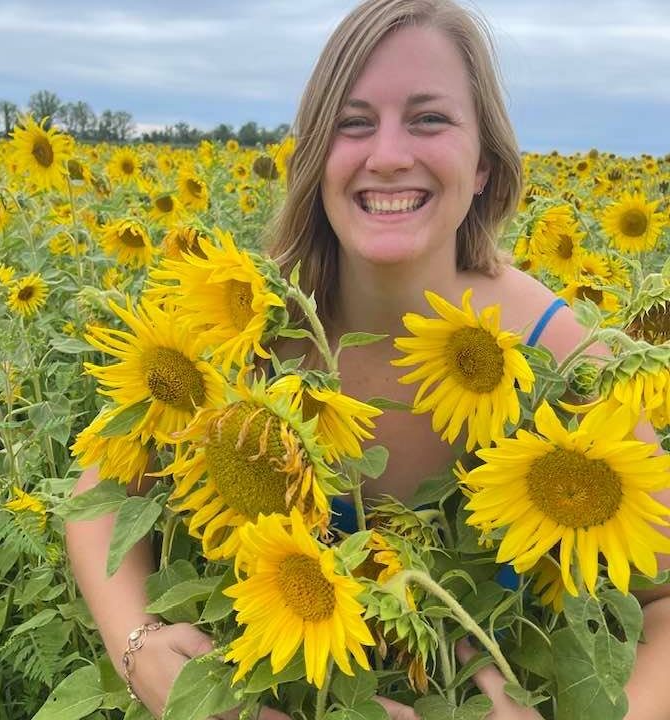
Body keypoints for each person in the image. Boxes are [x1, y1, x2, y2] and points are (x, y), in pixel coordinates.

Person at [66, 1, 670, 718]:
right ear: (316, 155)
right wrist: (138, 647)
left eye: (429, 119)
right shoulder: (244, 323)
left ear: (484, 164)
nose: (387, 154)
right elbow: (99, 492)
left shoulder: (554, 354)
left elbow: (662, 596)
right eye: (353, 123)